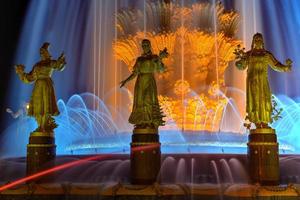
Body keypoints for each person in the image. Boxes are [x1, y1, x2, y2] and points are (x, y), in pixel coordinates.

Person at [235, 33, 292, 128]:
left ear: (262, 42)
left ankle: (265, 121)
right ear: (253, 42)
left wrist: (285, 68)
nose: (258, 41)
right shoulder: (249, 54)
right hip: (252, 81)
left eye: (259, 40)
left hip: (263, 80)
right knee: (255, 100)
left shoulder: (266, 55)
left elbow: (276, 65)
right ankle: (256, 121)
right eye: (256, 40)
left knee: (265, 100)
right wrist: (239, 62)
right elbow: (242, 66)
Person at [15, 42, 66, 132]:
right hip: (38, 86)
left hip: (46, 85)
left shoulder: (50, 62)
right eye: (41, 52)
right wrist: (21, 73)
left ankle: (45, 126)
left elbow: (59, 66)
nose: (42, 54)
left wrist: (61, 61)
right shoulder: (37, 65)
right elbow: (30, 78)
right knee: (38, 106)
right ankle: (40, 126)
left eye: (43, 52)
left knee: (46, 105)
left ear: (47, 52)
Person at [120, 39, 168, 129]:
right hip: (140, 81)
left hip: (149, 80)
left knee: (148, 100)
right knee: (140, 102)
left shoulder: (154, 57)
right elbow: (135, 73)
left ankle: (150, 122)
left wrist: (160, 59)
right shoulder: (139, 59)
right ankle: (142, 122)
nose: (145, 47)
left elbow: (161, 70)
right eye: (143, 45)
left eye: (146, 45)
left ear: (150, 46)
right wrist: (125, 81)